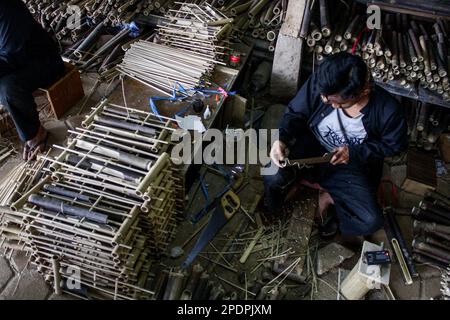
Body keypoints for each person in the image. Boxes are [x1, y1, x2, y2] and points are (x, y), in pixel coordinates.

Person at [264, 52, 408, 237]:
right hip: (311, 147)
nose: (324, 101)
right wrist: (281, 138)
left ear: (363, 92)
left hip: (349, 164)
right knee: (272, 174)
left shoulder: (388, 110)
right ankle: (273, 212)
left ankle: (330, 197)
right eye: (324, 96)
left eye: (335, 102)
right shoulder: (325, 82)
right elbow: (296, 111)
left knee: (370, 221)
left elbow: (395, 146)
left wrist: (356, 152)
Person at [0, 0, 64, 160]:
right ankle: (29, 130)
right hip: (14, 62)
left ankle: (35, 133)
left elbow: (11, 56)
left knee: (7, 88)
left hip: (43, 62)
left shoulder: (7, 7)